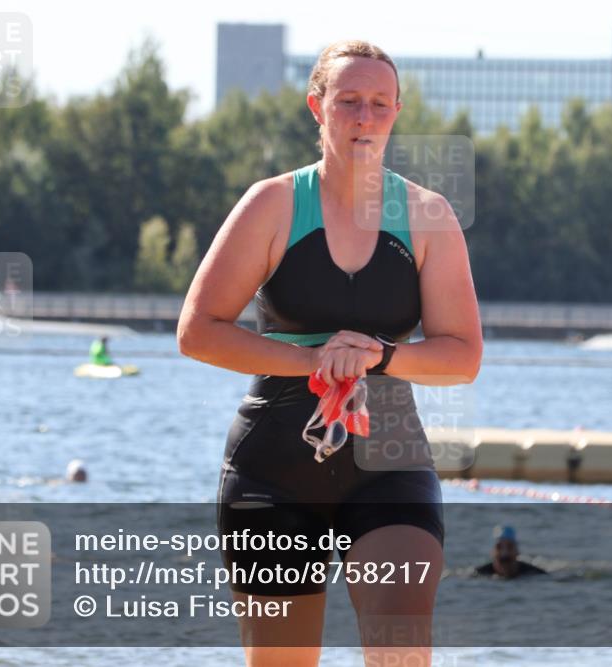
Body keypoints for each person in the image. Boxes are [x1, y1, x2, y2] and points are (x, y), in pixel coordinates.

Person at [177, 39, 482, 667]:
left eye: (378, 104)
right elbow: (197, 330)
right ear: (318, 108)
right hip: (274, 468)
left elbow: (462, 356)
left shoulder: (428, 216)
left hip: (389, 461)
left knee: (401, 649)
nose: (363, 118)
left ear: (396, 112)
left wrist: (379, 356)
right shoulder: (271, 205)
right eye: (348, 102)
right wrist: (317, 360)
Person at [472, 525, 547, 579]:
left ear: (517, 552)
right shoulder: (479, 573)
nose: (504, 553)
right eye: (499, 547)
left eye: (510, 547)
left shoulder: (534, 573)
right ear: (492, 552)